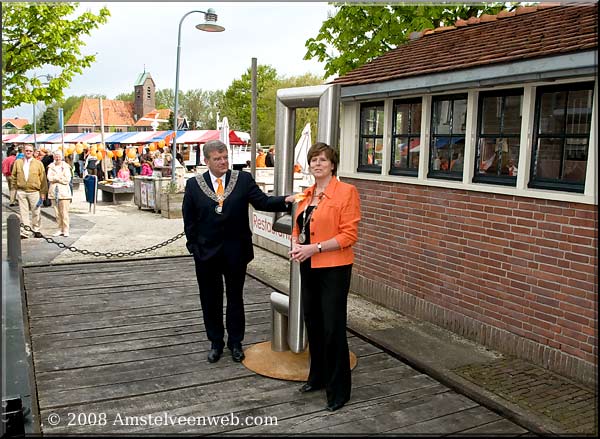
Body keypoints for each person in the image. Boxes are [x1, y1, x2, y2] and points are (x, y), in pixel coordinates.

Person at [182, 140, 296, 364]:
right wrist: (194, 247)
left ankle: (236, 342)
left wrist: (287, 201)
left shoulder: (242, 180)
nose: (223, 161)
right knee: (210, 299)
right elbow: (189, 220)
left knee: (235, 298)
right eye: (217, 158)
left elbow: (262, 202)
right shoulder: (194, 185)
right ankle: (216, 342)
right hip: (206, 255)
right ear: (206, 161)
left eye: (225, 157)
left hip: (236, 252)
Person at [289, 142, 361, 412]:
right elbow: (299, 226)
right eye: (313, 160)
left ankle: (339, 390)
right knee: (314, 325)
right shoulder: (306, 195)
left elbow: (348, 236)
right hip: (308, 265)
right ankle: (317, 377)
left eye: (322, 159)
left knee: (332, 328)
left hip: (334, 268)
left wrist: (314, 248)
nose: (317, 164)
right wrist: (296, 244)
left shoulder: (346, 192)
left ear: (332, 164)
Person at [10, 145, 48, 239]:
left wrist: (43, 192)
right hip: (21, 191)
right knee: (23, 213)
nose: (28, 152)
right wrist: (14, 188)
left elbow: (43, 179)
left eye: (30, 151)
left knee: (36, 212)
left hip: (34, 191)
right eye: (26, 150)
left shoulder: (38, 163)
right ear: (23, 151)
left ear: (33, 152)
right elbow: (13, 176)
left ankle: (36, 229)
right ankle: (25, 231)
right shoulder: (18, 162)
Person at [46, 151, 72, 237]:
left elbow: (67, 179)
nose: (57, 158)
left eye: (59, 156)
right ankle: (60, 228)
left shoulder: (66, 167)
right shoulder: (51, 167)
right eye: (56, 156)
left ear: (62, 157)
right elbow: (49, 178)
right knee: (57, 213)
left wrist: (56, 178)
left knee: (64, 212)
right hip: (54, 192)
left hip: (64, 193)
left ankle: (66, 229)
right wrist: (59, 177)